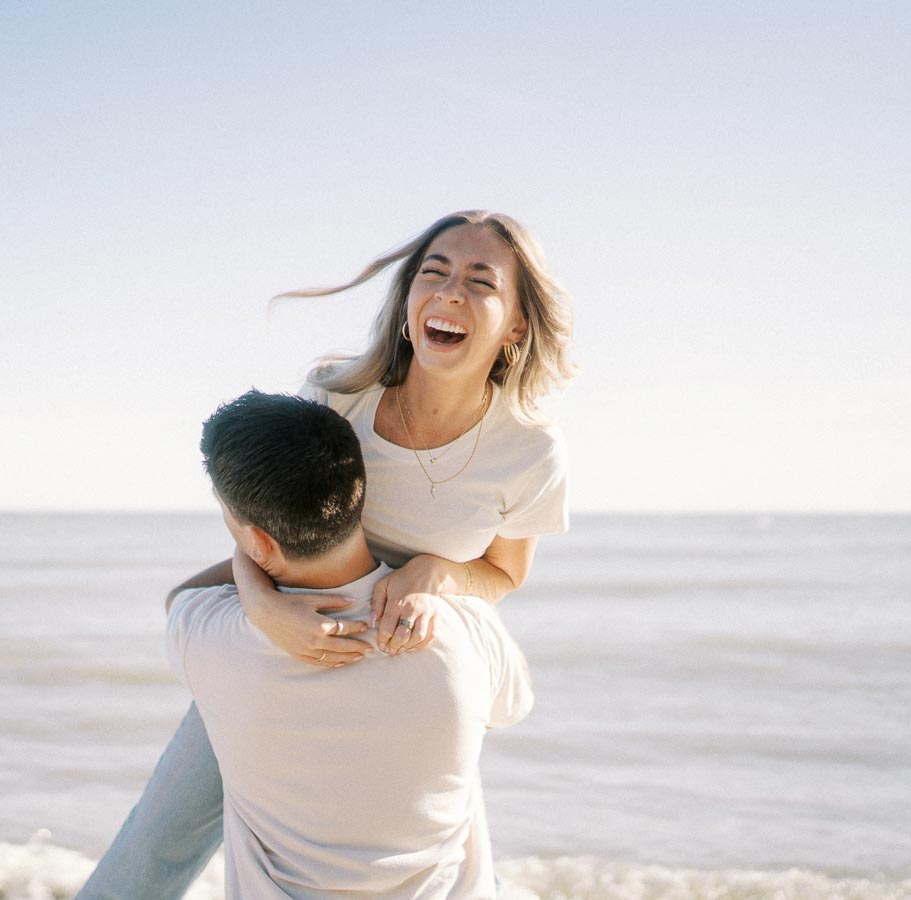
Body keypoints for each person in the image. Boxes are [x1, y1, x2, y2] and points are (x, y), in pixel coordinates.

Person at [77, 210, 575, 898]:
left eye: (480, 281)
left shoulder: (531, 449)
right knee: (164, 829)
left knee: (445, 846)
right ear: (407, 305)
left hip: (423, 634)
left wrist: (435, 573)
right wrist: (263, 610)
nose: (450, 291)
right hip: (297, 604)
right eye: (434, 272)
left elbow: (505, 574)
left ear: (517, 323)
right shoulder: (343, 394)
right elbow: (266, 519)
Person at [167, 390, 533, 897]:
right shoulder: (463, 626)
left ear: (258, 542)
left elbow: (180, 599)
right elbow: (512, 706)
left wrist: (256, 596)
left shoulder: (211, 639)